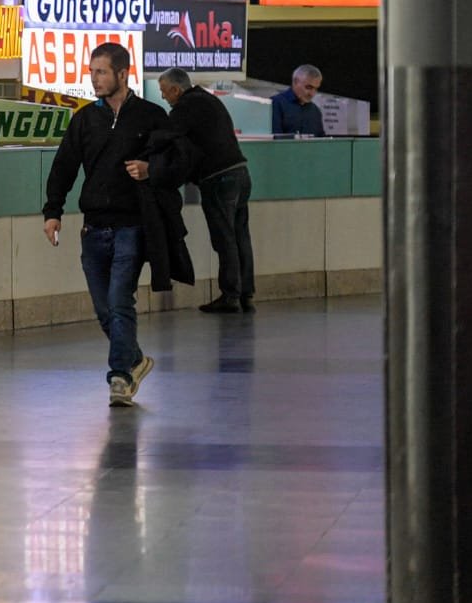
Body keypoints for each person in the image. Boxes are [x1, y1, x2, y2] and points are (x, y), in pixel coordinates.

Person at [43, 43, 166, 407]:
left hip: (131, 225)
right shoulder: (84, 119)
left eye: (101, 72)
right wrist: (53, 211)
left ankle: (119, 377)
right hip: (93, 228)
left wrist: (150, 170)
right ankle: (136, 359)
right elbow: (64, 167)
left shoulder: (150, 117)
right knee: (104, 309)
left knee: (119, 300)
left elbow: (179, 162)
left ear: (122, 74)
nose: (94, 79)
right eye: (92, 71)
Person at [155, 68, 256, 314]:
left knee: (225, 238)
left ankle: (230, 295)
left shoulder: (186, 107)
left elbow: (164, 136)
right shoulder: (209, 100)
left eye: (164, 92)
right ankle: (246, 294)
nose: (164, 98)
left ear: (176, 90)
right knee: (240, 235)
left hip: (219, 178)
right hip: (241, 174)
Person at [271, 64, 327, 137]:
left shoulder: (315, 111)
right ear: (295, 82)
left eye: (316, 89)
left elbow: (321, 141)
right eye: (308, 87)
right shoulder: (275, 104)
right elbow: (273, 142)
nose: (312, 94)